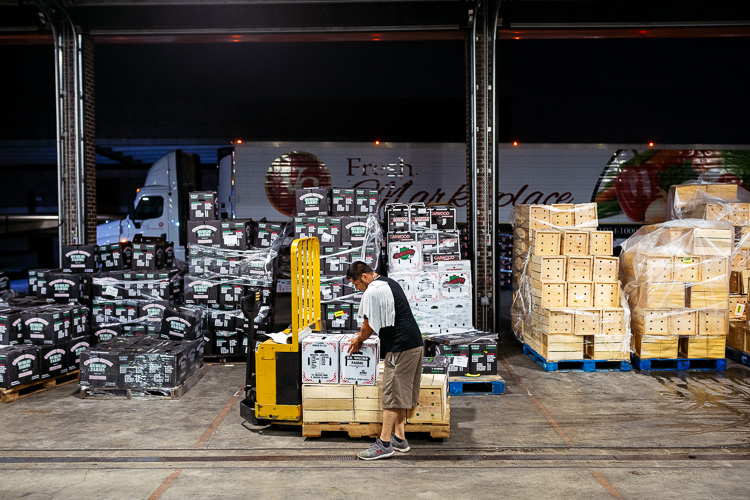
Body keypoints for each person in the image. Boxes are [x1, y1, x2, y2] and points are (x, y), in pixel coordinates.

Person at [346, 261, 423, 460]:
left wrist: (359, 339)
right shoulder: (388, 283)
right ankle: (400, 438)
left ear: (364, 277)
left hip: (402, 347)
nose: (358, 289)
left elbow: (368, 325)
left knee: (391, 394)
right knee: (399, 393)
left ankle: (384, 443)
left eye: (356, 285)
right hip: (413, 344)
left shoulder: (373, 290)